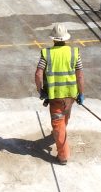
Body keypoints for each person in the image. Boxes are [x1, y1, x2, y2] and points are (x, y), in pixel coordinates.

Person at [35, 23, 84, 165]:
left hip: (55, 96)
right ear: (66, 38)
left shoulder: (47, 54)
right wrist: (81, 93)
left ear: (53, 39)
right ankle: (60, 132)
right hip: (70, 96)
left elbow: (38, 74)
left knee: (58, 123)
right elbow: (80, 76)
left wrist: (41, 91)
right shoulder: (74, 53)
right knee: (65, 117)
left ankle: (63, 156)